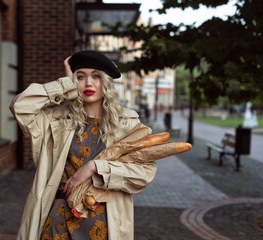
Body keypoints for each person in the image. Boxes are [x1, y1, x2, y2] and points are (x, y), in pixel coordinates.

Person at [10, 50, 157, 240]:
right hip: (58, 224)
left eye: (96, 76)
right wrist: (64, 86)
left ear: (106, 82)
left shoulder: (127, 124)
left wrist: (96, 167)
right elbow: (20, 106)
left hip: (104, 224)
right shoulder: (56, 121)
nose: (88, 83)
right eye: (80, 77)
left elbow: (145, 172)